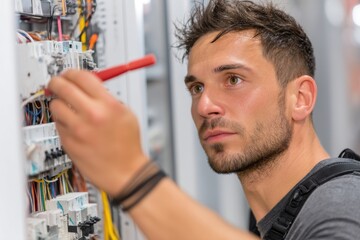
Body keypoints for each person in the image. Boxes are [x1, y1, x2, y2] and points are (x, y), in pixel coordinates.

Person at [48, 0, 360, 239]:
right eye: (197, 87)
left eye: (233, 79)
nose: (205, 105)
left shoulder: (341, 204)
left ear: (300, 98)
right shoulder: (280, 217)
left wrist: (132, 176)